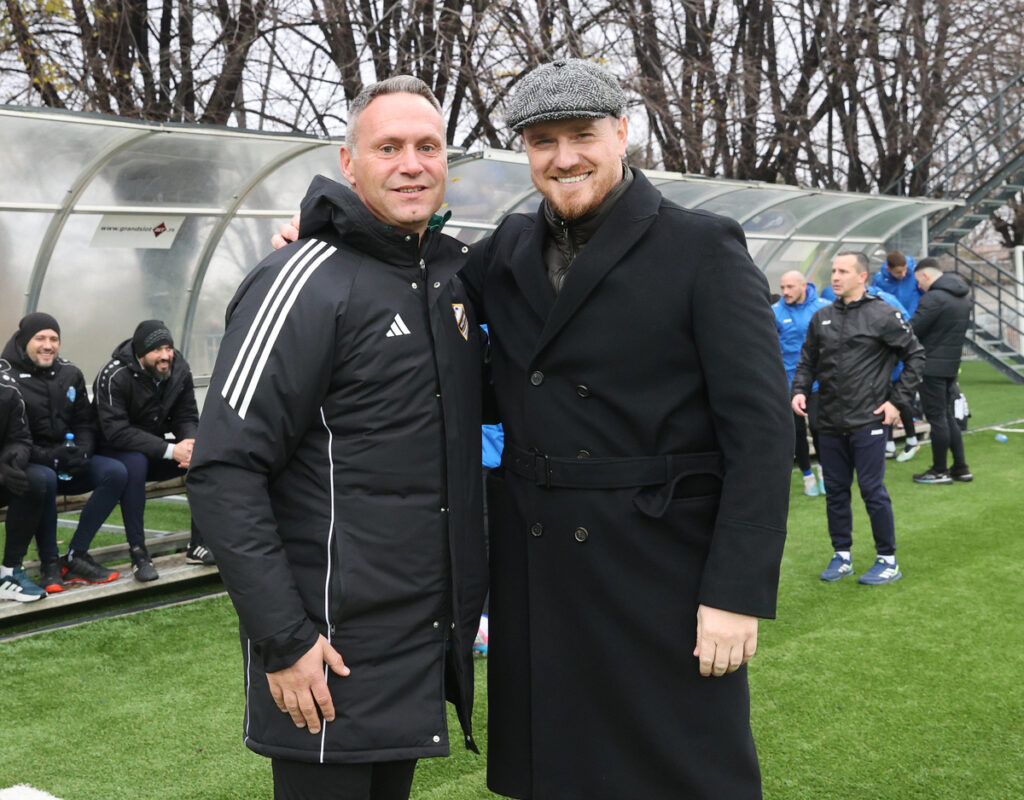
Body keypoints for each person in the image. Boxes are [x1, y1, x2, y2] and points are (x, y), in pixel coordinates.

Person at [464, 59, 791, 800]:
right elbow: (419, 275)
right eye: (543, 141)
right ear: (526, 151)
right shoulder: (506, 251)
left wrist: (736, 593)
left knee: (682, 772)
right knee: (560, 775)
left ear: (621, 133)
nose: (564, 157)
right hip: (539, 564)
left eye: (581, 135)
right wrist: (331, 234)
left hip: (659, 570)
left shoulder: (703, 247)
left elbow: (762, 431)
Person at [187, 76, 487, 800]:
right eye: (388, 147)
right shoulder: (301, 280)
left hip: (413, 643)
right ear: (348, 164)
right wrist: (282, 641)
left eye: (427, 147)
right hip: (324, 654)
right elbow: (224, 470)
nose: (411, 164)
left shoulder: (450, 277)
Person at [792, 252, 925, 586]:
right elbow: (807, 360)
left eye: (843, 271)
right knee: (836, 491)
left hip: (868, 420)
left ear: (862, 276)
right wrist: (799, 390)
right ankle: (842, 556)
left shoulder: (883, 314)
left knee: (871, 490)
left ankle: (888, 560)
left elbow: (916, 356)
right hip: (829, 421)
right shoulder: (822, 316)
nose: (835, 277)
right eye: (833, 271)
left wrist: (896, 403)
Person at [0, 313, 127, 589]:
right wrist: (50, 457)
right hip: (32, 463)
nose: (48, 345)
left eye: (54, 339)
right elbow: (14, 438)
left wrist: (82, 451)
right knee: (43, 477)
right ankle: (49, 565)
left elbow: (84, 421)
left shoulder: (70, 373)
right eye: (40, 338)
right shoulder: (6, 376)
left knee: (115, 472)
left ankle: (75, 555)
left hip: (68, 459)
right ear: (24, 341)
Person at [93, 320, 213, 582]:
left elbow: (187, 416)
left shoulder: (179, 369)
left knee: (203, 458)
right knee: (136, 465)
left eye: (168, 348)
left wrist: (190, 445)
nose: (165, 356)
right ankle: (139, 554)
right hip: (113, 451)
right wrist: (171, 450)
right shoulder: (114, 374)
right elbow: (117, 432)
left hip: (155, 448)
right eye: (157, 350)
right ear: (140, 353)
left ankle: (199, 544)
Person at [908, 260, 973, 484]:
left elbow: (913, 329)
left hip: (931, 365)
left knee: (937, 418)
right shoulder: (963, 296)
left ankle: (939, 470)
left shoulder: (934, 298)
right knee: (947, 416)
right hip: (951, 364)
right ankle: (961, 467)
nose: (919, 287)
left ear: (925, 276)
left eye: (918, 282)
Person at [774, 270, 830, 496]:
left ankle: (825, 472)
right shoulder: (775, 312)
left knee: (818, 427)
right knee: (796, 432)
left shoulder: (823, 307)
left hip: (817, 382)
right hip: (788, 382)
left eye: (790, 287)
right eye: (782, 288)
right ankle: (807, 476)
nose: (785, 292)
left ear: (803, 286)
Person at [0, 372, 50, 601]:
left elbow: (19, 438)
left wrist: (10, 463)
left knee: (35, 479)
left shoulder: (7, 388)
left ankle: (10, 573)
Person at [871, 249, 923, 317]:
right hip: (893, 321)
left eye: (905, 270)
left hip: (915, 319)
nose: (903, 274)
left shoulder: (915, 274)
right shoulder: (879, 280)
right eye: (899, 272)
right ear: (888, 269)